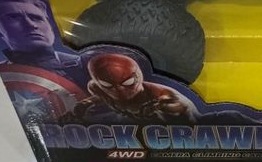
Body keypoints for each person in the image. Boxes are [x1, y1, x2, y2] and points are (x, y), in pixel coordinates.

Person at [0, 0, 83, 77]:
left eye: (37, 18)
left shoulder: (84, 64)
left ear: (49, 24)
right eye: (14, 17)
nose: (31, 25)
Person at [67, 53, 197, 123]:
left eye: (127, 82)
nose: (119, 90)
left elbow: (181, 107)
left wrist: (159, 106)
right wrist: (86, 103)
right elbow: (101, 97)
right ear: (98, 82)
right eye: (108, 85)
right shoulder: (96, 88)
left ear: (138, 76)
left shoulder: (160, 94)